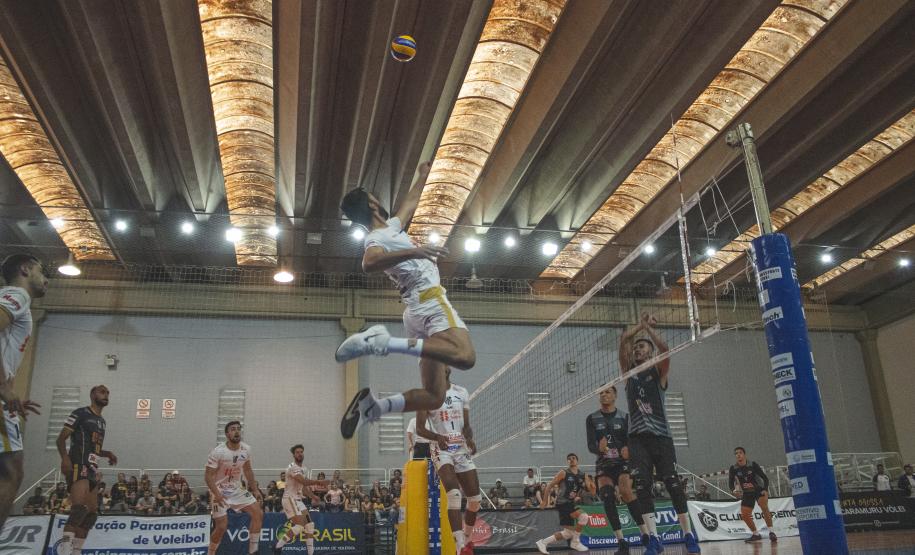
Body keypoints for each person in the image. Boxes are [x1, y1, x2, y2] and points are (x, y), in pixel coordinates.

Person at [336, 162, 477, 438]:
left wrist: (423, 175)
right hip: (430, 301)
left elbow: (410, 204)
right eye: (374, 196)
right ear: (372, 205)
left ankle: (374, 408)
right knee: (465, 356)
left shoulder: (390, 228)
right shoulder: (375, 238)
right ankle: (382, 342)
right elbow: (369, 262)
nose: (378, 199)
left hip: (415, 311)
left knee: (434, 396)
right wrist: (415, 252)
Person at [620, 312, 700, 554]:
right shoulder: (628, 374)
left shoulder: (659, 373)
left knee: (673, 484)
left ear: (650, 352)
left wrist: (649, 330)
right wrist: (639, 326)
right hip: (637, 439)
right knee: (642, 486)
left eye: (642, 346)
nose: (637, 349)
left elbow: (665, 349)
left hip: (661, 438)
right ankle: (654, 539)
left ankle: (688, 534)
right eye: (636, 348)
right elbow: (623, 342)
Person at [0, 254, 46, 528]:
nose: (46, 279)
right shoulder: (17, 295)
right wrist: (3, 387)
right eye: (42, 271)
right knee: (11, 472)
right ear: (26, 269)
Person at [416, 369, 482, 555]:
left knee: (475, 500)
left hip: (460, 446)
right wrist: (437, 437)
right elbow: (420, 429)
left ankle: (467, 540)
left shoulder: (461, 392)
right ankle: (460, 547)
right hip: (441, 447)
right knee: (454, 494)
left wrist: (469, 438)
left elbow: (466, 426)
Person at [55, 385, 117, 555]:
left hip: (92, 469)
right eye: (102, 392)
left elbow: (94, 448)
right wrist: (65, 458)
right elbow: (60, 439)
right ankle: (65, 552)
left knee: (91, 515)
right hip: (78, 464)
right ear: (92, 395)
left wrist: (107, 453)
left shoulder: (102, 421)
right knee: (78, 510)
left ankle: (76, 551)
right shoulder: (80, 413)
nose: (106, 394)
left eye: (108, 392)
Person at [586, 385, 641, 554]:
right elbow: (591, 445)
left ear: (615, 396)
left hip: (622, 462)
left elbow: (633, 440)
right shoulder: (592, 418)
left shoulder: (624, 417)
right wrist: (599, 449)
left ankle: (647, 534)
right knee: (607, 497)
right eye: (601, 393)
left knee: (625, 491)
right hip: (604, 463)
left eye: (607, 392)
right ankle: (621, 541)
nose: (603, 395)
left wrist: (628, 449)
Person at [205, 421, 264, 555]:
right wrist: (216, 494)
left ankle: (253, 551)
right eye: (233, 429)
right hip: (219, 490)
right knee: (221, 526)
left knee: (258, 513)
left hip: (237, 489)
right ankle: (210, 553)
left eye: (238, 429)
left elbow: (247, 470)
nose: (236, 431)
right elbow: (208, 476)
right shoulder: (218, 452)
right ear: (227, 434)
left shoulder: (246, 449)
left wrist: (255, 489)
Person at [535, 453, 594, 553]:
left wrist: (590, 486)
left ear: (577, 461)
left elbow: (591, 491)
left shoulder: (582, 475)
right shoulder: (564, 472)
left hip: (570, 503)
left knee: (568, 533)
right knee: (583, 517)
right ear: (567, 462)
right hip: (562, 502)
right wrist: (544, 501)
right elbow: (549, 485)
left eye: (573, 458)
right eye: (569, 459)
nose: (571, 459)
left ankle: (543, 542)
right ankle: (575, 542)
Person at [273, 444, 326, 554]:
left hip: (297, 500)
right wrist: (319, 482)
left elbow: (304, 487)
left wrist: (313, 496)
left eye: (301, 452)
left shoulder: (304, 469)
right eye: (297, 452)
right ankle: (277, 546)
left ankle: (310, 553)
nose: (300, 454)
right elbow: (304, 481)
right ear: (293, 455)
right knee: (300, 526)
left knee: (310, 525)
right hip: (289, 499)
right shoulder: (292, 467)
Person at [729, 447, 776, 543]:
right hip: (747, 493)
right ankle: (756, 534)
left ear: (744, 454)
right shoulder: (733, 468)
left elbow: (765, 478)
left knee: (764, 506)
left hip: (759, 490)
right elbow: (730, 482)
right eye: (736, 453)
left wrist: (765, 490)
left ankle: (771, 532)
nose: (738, 455)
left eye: (740, 453)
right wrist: (733, 490)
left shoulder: (753, 464)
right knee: (745, 515)